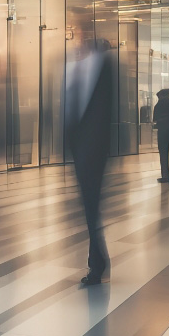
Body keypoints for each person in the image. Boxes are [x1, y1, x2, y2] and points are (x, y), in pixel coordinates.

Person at [65, 39, 113, 286]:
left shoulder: (103, 68)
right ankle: (98, 261)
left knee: (91, 205)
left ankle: (97, 263)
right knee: (89, 206)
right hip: (79, 149)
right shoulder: (73, 70)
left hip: (94, 150)